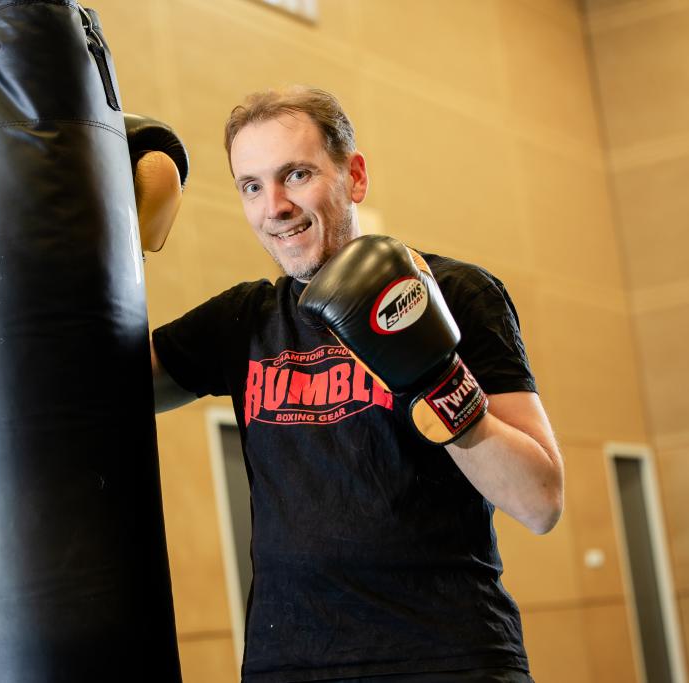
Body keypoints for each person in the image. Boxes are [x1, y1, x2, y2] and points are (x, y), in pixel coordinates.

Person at [150, 86, 564, 683]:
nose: (275, 207)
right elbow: (93, 396)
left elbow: (540, 502)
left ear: (355, 176)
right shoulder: (244, 321)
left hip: (449, 660)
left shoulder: (451, 293)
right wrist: (108, 240)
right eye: (251, 186)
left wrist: (435, 379)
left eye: (296, 175)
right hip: (288, 666)